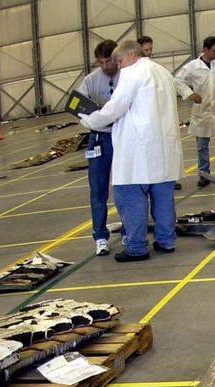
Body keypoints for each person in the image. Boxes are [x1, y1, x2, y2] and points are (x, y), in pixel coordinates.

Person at [79, 40, 182, 262]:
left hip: (137, 152)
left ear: (131, 55)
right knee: (163, 197)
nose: (118, 66)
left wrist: (89, 119)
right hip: (164, 150)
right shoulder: (162, 72)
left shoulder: (132, 73)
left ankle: (136, 247)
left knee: (130, 198)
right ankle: (166, 241)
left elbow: (115, 108)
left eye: (119, 60)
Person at [175, 36, 215, 187]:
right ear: (205, 49)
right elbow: (178, 80)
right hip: (201, 109)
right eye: (213, 50)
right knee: (202, 145)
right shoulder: (192, 66)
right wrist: (190, 94)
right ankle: (204, 174)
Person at [79, 39, 121, 256]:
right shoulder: (90, 81)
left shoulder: (127, 75)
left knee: (126, 185)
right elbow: (78, 107)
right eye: (101, 62)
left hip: (124, 137)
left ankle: (129, 229)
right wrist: (96, 114)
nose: (106, 66)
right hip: (99, 139)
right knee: (98, 190)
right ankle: (100, 236)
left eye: (109, 61)